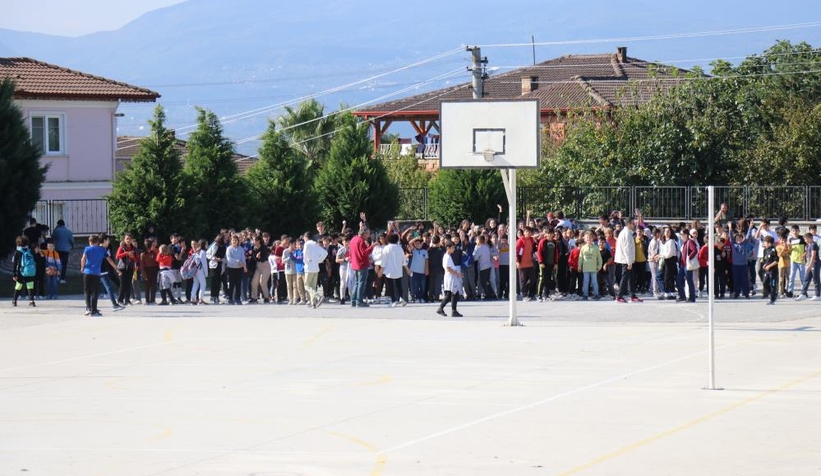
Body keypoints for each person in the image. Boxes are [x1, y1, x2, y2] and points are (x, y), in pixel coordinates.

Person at [615, 218, 642, 303]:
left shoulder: (625, 232)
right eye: (633, 223)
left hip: (626, 259)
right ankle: (619, 296)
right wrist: (629, 262)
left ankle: (632, 295)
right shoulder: (626, 234)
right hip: (626, 260)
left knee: (631, 277)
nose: (634, 225)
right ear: (629, 224)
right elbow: (626, 249)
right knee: (625, 277)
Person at [349, 225, 377, 308]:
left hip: (354, 263)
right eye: (367, 233)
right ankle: (359, 301)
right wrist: (372, 246)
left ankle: (353, 301)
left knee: (357, 283)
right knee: (361, 283)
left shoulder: (353, 239)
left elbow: (351, 252)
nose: (368, 235)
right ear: (364, 233)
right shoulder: (361, 241)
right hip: (361, 264)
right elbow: (364, 253)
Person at [382, 233, 409, 307]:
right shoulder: (399, 248)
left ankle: (394, 300)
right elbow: (403, 260)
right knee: (398, 285)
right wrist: (407, 269)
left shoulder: (386, 248)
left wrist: (381, 270)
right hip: (398, 270)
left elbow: (384, 260)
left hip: (389, 270)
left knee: (390, 286)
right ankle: (401, 298)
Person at [437, 241, 463, 317]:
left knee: (450, 295)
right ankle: (453, 310)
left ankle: (443, 308)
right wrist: (457, 274)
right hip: (451, 277)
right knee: (454, 294)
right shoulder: (447, 257)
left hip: (450, 277)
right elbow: (448, 268)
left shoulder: (448, 256)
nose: (454, 249)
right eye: (452, 248)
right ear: (448, 248)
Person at [303, 232, 328, 309]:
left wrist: (307, 262)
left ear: (306, 237)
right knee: (313, 286)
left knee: (307, 285)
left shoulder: (307, 244)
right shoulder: (315, 244)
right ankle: (313, 303)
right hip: (316, 268)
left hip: (309, 268)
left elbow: (305, 255)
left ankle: (318, 296)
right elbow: (325, 253)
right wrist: (318, 260)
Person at [11, 236, 37, 307]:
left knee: (18, 286)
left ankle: (14, 301)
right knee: (30, 286)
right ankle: (31, 301)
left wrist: (14, 274)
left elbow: (15, 264)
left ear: (18, 243)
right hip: (30, 271)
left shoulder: (18, 252)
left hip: (21, 271)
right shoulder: (30, 251)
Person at [578, 230, 602, 300]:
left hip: (594, 268)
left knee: (594, 282)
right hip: (585, 268)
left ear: (593, 238)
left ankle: (596, 294)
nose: (589, 239)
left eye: (590, 237)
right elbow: (580, 258)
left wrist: (599, 266)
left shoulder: (596, 247)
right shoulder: (583, 248)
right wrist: (579, 266)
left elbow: (599, 258)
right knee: (585, 282)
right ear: (585, 239)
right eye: (587, 237)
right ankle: (585, 294)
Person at [115, 233, 138, 306]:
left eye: (129, 239)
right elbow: (117, 256)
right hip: (122, 268)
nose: (128, 240)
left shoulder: (134, 248)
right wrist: (126, 253)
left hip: (130, 268)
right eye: (127, 239)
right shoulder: (122, 247)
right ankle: (120, 300)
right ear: (124, 240)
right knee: (123, 284)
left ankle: (127, 300)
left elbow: (136, 259)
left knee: (128, 284)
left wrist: (132, 257)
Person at [797, 232, 820, 301]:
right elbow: (807, 251)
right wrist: (803, 256)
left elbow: (813, 256)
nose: (805, 240)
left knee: (816, 279)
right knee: (806, 279)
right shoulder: (809, 245)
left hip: (814, 264)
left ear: (809, 238)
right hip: (810, 263)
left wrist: (809, 266)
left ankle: (818, 295)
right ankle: (803, 294)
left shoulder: (814, 245)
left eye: (805, 239)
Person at [225, 235, 247, 305]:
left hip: (239, 268)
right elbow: (229, 259)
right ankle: (230, 298)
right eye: (233, 240)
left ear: (238, 241)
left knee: (238, 284)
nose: (234, 241)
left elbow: (243, 257)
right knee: (231, 284)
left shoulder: (240, 248)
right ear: (231, 241)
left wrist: (244, 265)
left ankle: (238, 298)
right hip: (231, 268)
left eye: (235, 240)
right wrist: (237, 261)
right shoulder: (229, 249)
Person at [51, 219, 74, 283]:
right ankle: (62, 278)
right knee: (64, 264)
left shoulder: (56, 231)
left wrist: (55, 229)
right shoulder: (68, 231)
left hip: (58, 249)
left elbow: (52, 237)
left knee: (57, 263)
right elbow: (72, 241)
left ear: (58, 225)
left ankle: (57, 276)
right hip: (66, 250)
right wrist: (72, 246)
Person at [761, 235, 779, 305]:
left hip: (773, 271)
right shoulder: (765, 250)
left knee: (773, 284)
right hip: (767, 271)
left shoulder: (773, 250)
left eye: (765, 242)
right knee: (765, 283)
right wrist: (765, 264)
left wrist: (769, 266)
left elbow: (776, 261)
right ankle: (773, 294)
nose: (764, 243)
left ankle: (772, 299)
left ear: (769, 243)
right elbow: (766, 260)